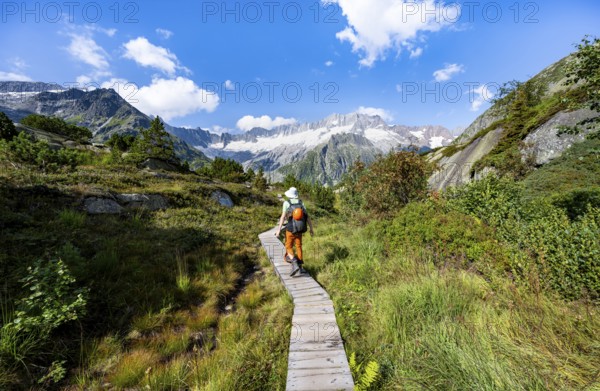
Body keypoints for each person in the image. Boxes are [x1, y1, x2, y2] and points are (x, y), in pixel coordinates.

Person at [275, 187, 314, 276]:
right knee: (298, 246)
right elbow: (307, 217)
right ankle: (300, 267)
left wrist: (278, 230)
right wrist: (311, 229)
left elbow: (282, 217)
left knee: (288, 246)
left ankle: (294, 261)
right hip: (300, 229)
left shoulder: (286, 203)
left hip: (290, 229)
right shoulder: (301, 203)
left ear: (289, 195)